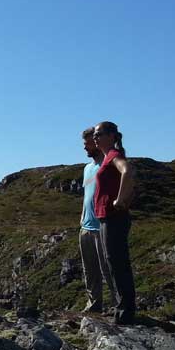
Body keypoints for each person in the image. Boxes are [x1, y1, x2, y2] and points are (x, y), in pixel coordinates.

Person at [92, 121, 137, 324]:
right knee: (113, 263)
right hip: (106, 218)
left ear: (111, 136)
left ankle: (125, 312)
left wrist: (121, 199)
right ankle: (121, 308)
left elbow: (128, 170)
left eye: (99, 134)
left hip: (113, 217)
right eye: (95, 134)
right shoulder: (107, 157)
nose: (95, 138)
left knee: (118, 264)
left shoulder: (114, 156)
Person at [79, 127, 117, 313]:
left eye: (87, 144)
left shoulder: (108, 164)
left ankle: (119, 304)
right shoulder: (87, 168)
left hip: (102, 226)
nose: (85, 148)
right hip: (86, 226)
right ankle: (94, 304)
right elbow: (88, 194)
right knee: (90, 270)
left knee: (108, 270)